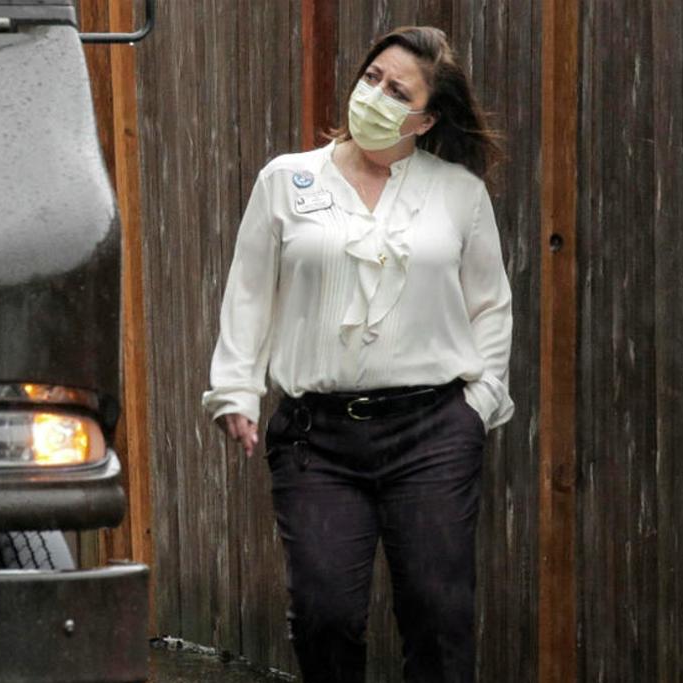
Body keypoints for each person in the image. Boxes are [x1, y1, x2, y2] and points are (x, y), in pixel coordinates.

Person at [202, 26, 514, 683]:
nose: (375, 94)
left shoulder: (459, 193)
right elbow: (249, 292)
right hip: (317, 438)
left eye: (398, 91)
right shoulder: (286, 180)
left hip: (432, 432)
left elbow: (491, 305)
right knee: (325, 615)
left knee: (438, 614)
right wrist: (235, 390)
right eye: (372, 77)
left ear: (425, 119)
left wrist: (477, 407)